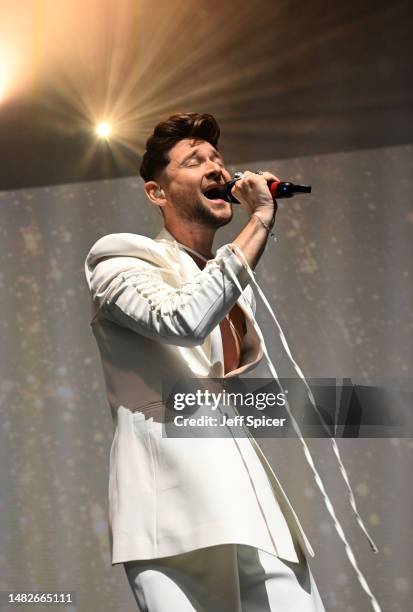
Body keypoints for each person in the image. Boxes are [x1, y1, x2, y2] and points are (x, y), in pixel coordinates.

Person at [84, 112, 326, 611]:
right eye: (196, 161)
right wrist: (259, 219)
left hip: (255, 509)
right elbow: (181, 320)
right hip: (175, 517)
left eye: (218, 159)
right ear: (157, 193)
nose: (218, 169)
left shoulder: (234, 289)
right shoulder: (119, 258)